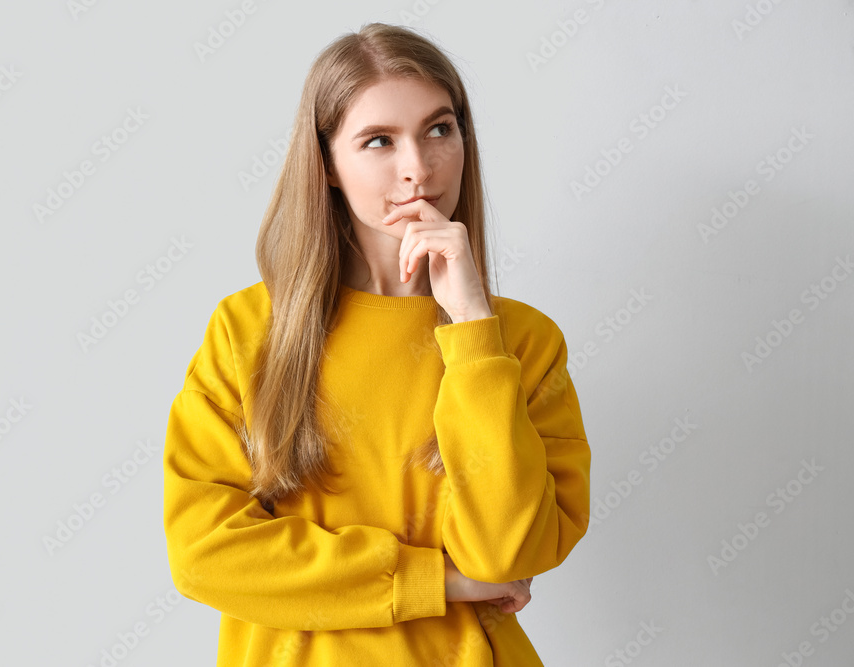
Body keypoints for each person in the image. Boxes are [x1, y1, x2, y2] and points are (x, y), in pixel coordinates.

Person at [163, 22, 591, 666]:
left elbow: (507, 555)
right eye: (378, 141)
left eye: (439, 129)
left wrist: (472, 326)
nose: (418, 168)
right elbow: (204, 556)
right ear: (328, 164)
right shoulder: (248, 332)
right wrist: (433, 582)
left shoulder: (521, 342)